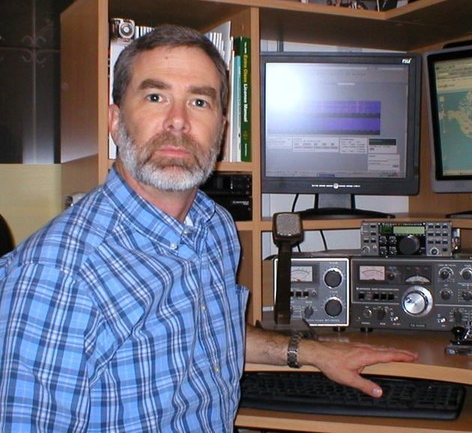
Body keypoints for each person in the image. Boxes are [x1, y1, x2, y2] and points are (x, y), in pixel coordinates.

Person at [0, 25, 418, 432]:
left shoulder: (214, 225)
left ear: (221, 129)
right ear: (115, 120)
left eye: (199, 102)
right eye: (155, 96)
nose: (178, 121)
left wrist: (312, 352)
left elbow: (211, 333)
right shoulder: (58, 275)